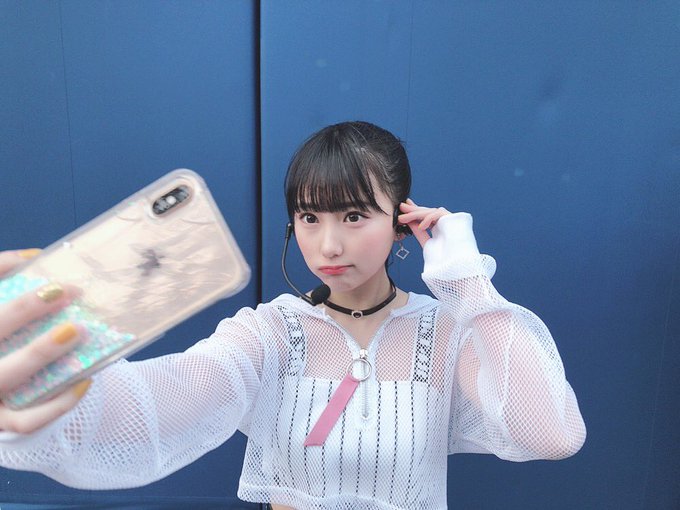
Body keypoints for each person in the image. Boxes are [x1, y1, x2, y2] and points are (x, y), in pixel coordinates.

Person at [0, 121, 586, 510]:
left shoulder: (447, 333)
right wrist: (38, 390)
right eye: (309, 218)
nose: (328, 244)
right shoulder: (270, 333)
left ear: (400, 222)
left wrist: (466, 280)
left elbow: (551, 435)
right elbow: (153, 407)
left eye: (354, 216)